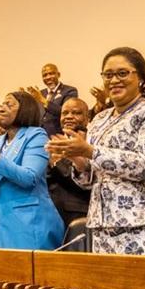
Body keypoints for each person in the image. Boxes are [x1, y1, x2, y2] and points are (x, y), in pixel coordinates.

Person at [47, 47, 145, 255]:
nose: (114, 80)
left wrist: (90, 151)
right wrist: (80, 162)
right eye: (108, 75)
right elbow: (92, 179)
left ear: (140, 78)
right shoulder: (99, 119)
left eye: (122, 73)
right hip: (103, 226)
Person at [0, 91, 64, 250]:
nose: (1, 108)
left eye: (9, 104)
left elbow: (29, 178)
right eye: (1, 105)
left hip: (28, 222)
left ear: (25, 109)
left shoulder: (36, 135)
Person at [47, 97, 92, 229]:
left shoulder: (93, 143)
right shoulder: (53, 142)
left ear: (87, 118)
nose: (69, 117)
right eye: (65, 113)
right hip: (51, 212)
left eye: (76, 113)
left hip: (79, 212)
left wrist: (57, 162)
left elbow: (86, 180)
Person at [39, 63, 78, 136]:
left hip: (59, 135)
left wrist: (43, 101)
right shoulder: (40, 93)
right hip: (40, 135)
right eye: (45, 75)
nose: (48, 77)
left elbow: (66, 113)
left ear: (58, 74)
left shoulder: (70, 91)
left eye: (51, 73)